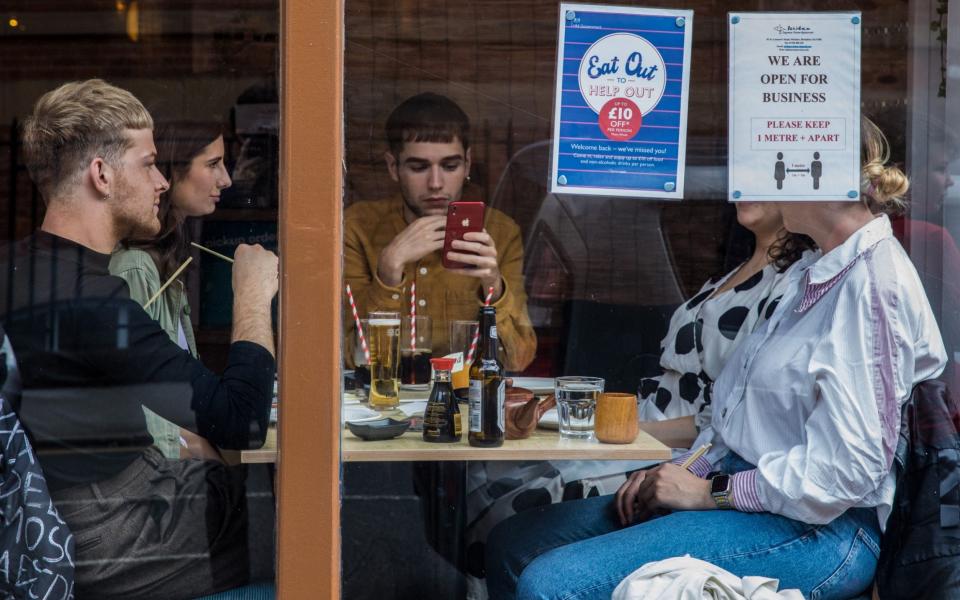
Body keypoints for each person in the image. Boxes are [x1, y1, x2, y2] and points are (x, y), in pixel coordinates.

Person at [485, 119, 947, 600]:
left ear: (818, 172)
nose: (748, 182)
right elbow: (737, 418)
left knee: (553, 582)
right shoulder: (811, 272)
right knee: (514, 545)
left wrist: (710, 492)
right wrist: (691, 469)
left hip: (823, 528)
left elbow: (844, 475)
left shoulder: (872, 282)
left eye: (765, 163)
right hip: (755, 497)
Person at [4, 79, 278, 598]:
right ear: (102, 175)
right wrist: (251, 297)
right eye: (149, 163)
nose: (160, 181)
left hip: (58, 518)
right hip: (103, 540)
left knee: (252, 491)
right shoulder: (92, 300)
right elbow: (240, 419)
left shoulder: (19, 267)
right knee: (324, 530)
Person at [463, 202, 815, 598]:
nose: (744, 188)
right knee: (493, 481)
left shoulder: (793, 282)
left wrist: (619, 430)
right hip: (649, 436)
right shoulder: (738, 270)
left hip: (680, 450)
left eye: (764, 174)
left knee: (525, 504)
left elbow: (726, 418)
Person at [343, 92, 536, 371]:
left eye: (449, 166)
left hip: (464, 400)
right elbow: (347, 356)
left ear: (467, 164)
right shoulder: (358, 228)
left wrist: (492, 284)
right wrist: (387, 272)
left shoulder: (499, 232)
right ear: (393, 167)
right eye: (419, 167)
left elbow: (517, 359)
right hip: (382, 402)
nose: (435, 183)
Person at [110, 118, 232, 461]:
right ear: (170, 169)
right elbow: (134, 392)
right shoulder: (134, 265)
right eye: (212, 164)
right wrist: (199, 450)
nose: (226, 179)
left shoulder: (168, 252)